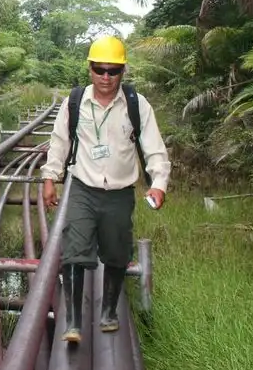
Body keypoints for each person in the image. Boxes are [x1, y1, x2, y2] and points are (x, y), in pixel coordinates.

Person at [40, 35, 171, 344]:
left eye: (113, 71)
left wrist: (159, 184)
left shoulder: (137, 105)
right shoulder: (74, 102)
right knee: (74, 252)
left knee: (116, 253)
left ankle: (109, 311)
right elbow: (59, 144)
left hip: (120, 194)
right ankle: (73, 322)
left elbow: (154, 150)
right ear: (90, 69)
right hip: (83, 189)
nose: (106, 77)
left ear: (123, 71)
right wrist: (50, 178)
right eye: (100, 70)